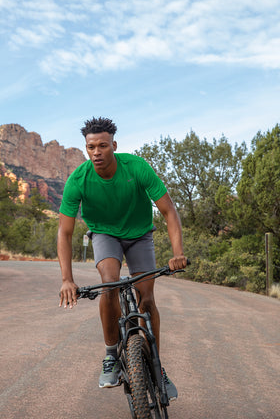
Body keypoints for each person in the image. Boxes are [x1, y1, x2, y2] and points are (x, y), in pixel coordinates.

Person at [58, 117, 187, 398]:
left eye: (103, 145)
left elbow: (169, 211)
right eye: (91, 147)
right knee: (110, 283)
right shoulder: (78, 180)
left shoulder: (136, 167)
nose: (97, 152)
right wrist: (67, 279)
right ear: (86, 148)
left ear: (114, 145)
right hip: (105, 234)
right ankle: (111, 355)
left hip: (140, 234)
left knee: (147, 297)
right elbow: (65, 232)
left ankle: (156, 363)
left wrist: (178, 254)